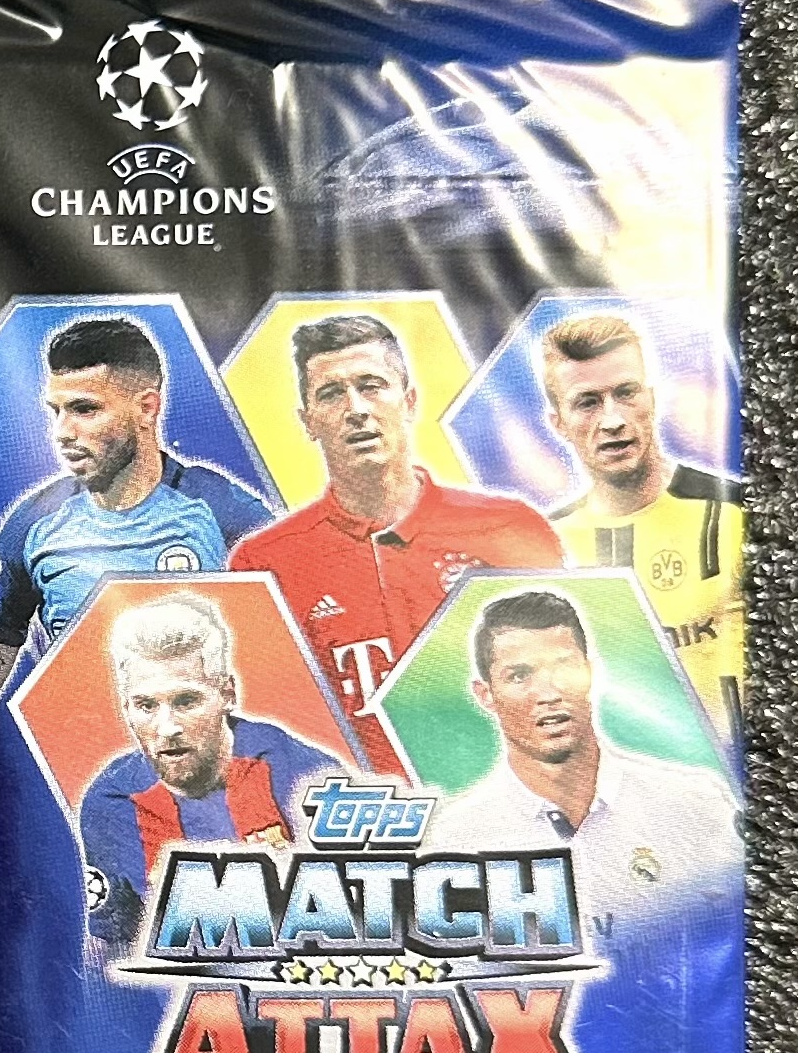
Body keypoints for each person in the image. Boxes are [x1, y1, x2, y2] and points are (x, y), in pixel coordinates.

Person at [230, 313, 563, 771]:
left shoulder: (511, 529)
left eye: (371, 386)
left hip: (501, 796)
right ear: (308, 421)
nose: (356, 409)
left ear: (409, 401)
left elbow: (568, 676)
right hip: (365, 807)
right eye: (331, 393)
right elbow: (267, 725)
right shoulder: (264, 563)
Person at [0, 314, 273, 747]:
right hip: (84, 765)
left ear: (147, 408)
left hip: (197, 763)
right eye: (56, 411)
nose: (63, 432)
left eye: (85, 409)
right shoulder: (34, 524)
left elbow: (286, 646)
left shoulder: (225, 514)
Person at [422, 589, 741, 922]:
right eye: (519, 676)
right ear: (486, 694)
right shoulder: (451, 841)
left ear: (591, 672)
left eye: (564, 667)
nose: (549, 693)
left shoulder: (694, 803)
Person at [76, 593, 345, 950]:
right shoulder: (111, 802)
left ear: (227, 694)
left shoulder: (305, 774)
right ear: (126, 708)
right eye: (146, 705)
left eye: (186, 701)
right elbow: (112, 944)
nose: (167, 727)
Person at [538, 312, 749, 744]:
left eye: (626, 393)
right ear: (559, 422)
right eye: (587, 402)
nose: (612, 420)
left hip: (742, 775)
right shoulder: (544, 544)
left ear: (651, 399)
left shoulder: (739, 513)